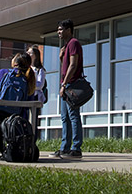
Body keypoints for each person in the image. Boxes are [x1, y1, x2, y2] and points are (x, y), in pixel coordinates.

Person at [50, 19, 84, 159]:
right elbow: (66, 65)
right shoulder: (66, 46)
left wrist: (64, 84)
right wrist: (61, 57)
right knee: (65, 117)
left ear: (69, 29)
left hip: (71, 85)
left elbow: (73, 65)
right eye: (58, 29)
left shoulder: (74, 43)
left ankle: (76, 149)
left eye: (61, 29)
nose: (58, 32)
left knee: (73, 116)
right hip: (66, 85)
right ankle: (64, 148)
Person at [0, 53, 35, 155]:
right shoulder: (27, 79)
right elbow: (29, 100)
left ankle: (0, 147)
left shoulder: (2, 73)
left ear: (15, 62)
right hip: (16, 116)